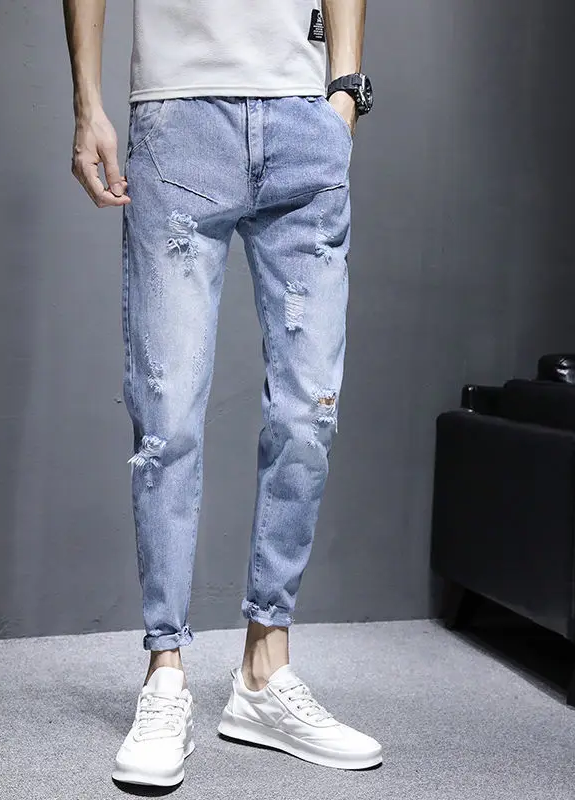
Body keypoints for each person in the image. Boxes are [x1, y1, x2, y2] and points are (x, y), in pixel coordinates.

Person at [62, 0, 381, 786]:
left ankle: (264, 674)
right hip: (180, 117)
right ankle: (165, 673)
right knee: (167, 419)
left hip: (304, 123)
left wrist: (344, 89)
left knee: (309, 415)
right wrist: (88, 103)